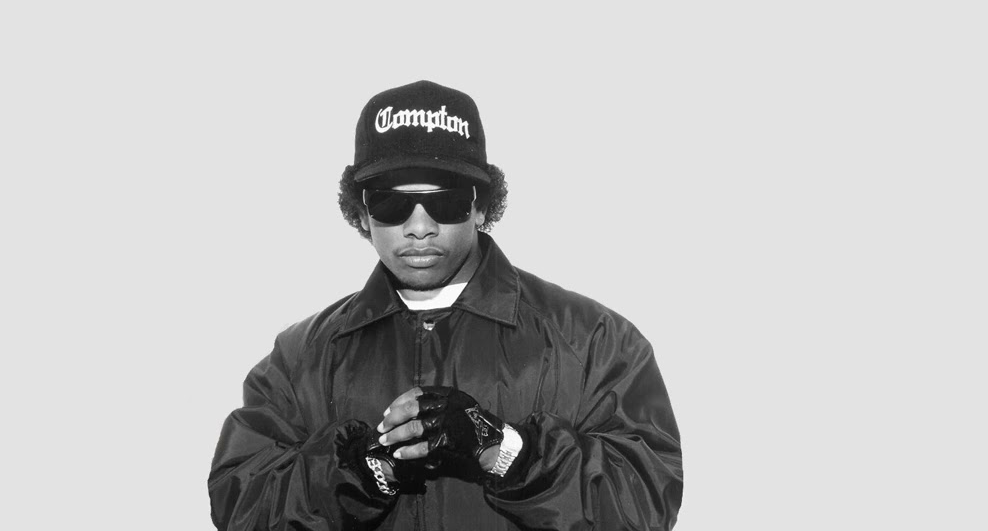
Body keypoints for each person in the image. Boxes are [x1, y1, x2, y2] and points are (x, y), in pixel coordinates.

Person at [209, 80, 683, 530]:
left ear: (481, 206)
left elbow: (644, 507)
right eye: (391, 203)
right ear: (360, 213)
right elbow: (242, 506)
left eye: (446, 202)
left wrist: (504, 450)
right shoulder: (298, 358)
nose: (420, 228)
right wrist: (361, 470)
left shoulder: (595, 340)